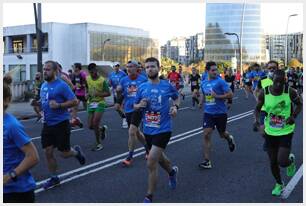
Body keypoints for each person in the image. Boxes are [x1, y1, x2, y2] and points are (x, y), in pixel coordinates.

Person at [134, 57, 179, 203]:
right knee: (160, 159)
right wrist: (140, 104)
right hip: (148, 129)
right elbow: (134, 106)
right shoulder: (142, 87)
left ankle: (149, 196)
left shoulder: (167, 86)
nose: (150, 69)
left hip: (163, 129)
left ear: (159, 68)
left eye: (152, 66)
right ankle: (172, 172)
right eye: (147, 67)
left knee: (151, 161)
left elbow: (177, 98)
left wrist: (175, 107)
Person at [254, 69, 302, 196]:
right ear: (272, 81)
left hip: (286, 130)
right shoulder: (264, 93)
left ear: (285, 81)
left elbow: (299, 104)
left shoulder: (289, 91)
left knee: (281, 161)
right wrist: (257, 122)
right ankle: (279, 183)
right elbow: (257, 109)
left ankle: (290, 161)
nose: (278, 85)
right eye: (276, 82)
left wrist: (293, 116)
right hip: (270, 131)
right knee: (272, 161)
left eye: (281, 82)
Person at [40, 60, 86, 189]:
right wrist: (39, 107)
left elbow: (75, 101)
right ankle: (54, 178)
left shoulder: (62, 85)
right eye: (44, 69)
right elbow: (45, 101)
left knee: (64, 153)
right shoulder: (43, 85)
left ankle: (76, 153)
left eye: (48, 69)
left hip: (61, 123)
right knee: (47, 152)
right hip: (48, 124)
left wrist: (59, 105)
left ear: (55, 71)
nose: (45, 71)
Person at [3, 75, 40, 203]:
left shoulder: (12, 125)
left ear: (6, 100)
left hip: (17, 192)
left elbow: (33, 157)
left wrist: (9, 176)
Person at [198, 61, 236, 169]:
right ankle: (207, 161)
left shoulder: (220, 82)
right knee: (206, 134)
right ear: (207, 71)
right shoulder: (204, 83)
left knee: (222, 134)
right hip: (208, 113)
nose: (215, 72)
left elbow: (230, 94)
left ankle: (229, 138)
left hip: (220, 113)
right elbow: (204, 94)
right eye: (213, 70)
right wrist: (201, 102)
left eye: (216, 70)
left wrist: (217, 96)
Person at [116, 60, 150, 166]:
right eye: (127, 67)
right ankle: (147, 148)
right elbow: (122, 93)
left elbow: (147, 94)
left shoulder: (143, 80)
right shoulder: (123, 80)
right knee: (136, 132)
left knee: (131, 132)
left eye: (131, 66)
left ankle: (129, 156)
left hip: (138, 109)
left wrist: (142, 103)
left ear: (137, 68)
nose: (129, 69)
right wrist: (118, 97)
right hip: (128, 109)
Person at [86, 63, 111, 151]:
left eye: (95, 71)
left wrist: (98, 94)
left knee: (95, 123)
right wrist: (87, 94)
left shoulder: (102, 80)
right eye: (91, 72)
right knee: (90, 126)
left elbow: (108, 93)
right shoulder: (88, 78)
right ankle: (102, 129)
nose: (94, 74)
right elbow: (87, 88)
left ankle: (98, 143)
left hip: (100, 103)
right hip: (91, 103)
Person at [253, 60, 278, 134]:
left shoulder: (281, 80)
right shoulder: (263, 79)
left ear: (277, 69)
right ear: (267, 69)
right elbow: (255, 91)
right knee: (263, 131)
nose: (272, 69)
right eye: (270, 68)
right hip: (264, 109)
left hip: (276, 110)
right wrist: (258, 100)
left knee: (275, 131)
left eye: (274, 68)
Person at [109, 63, 128, 128]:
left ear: (119, 67)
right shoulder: (111, 74)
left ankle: (125, 119)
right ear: (113, 67)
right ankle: (125, 117)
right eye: (115, 66)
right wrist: (110, 87)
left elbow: (126, 81)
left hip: (122, 92)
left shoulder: (123, 74)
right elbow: (109, 83)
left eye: (117, 66)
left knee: (121, 106)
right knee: (116, 108)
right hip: (115, 92)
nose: (116, 67)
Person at [70, 63, 87, 128]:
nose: (73, 68)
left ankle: (93, 118)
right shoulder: (74, 74)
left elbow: (87, 83)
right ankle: (74, 121)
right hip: (77, 93)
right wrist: (73, 87)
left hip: (84, 93)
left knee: (87, 108)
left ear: (77, 68)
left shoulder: (83, 74)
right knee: (74, 107)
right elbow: (73, 83)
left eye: (74, 67)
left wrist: (82, 86)